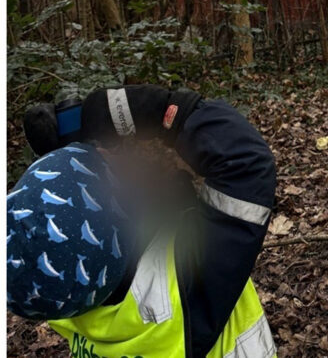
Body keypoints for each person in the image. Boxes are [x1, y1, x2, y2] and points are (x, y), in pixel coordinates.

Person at [7, 84, 278, 358]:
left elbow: (60, 236)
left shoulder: (67, 293)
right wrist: (158, 110)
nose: (110, 157)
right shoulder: (186, 284)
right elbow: (246, 163)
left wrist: (60, 162)